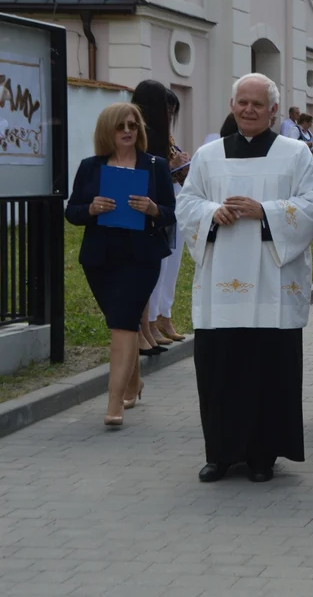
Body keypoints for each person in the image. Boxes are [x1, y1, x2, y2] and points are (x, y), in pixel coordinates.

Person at [177, 73, 313, 483]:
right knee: (220, 369)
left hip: (271, 283)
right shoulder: (208, 156)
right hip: (220, 284)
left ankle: (264, 455)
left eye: (257, 104)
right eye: (242, 102)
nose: (248, 110)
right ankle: (221, 454)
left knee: (269, 370)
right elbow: (187, 203)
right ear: (231, 105)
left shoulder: (295, 153)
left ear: (274, 110)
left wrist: (266, 212)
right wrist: (212, 213)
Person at [65, 103, 174, 426]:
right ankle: (133, 381)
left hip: (141, 258)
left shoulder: (155, 166)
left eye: (133, 125)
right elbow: (72, 212)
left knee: (124, 324)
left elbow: (171, 212)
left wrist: (154, 208)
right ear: (107, 131)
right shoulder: (90, 167)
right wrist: (91, 209)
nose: (128, 131)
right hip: (100, 259)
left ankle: (114, 403)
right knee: (121, 322)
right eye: (120, 126)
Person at [131, 79, 176, 356]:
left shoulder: (155, 134)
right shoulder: (140, 131)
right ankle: (139, 330)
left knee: (149, 273)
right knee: (140, 275)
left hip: (153, 207)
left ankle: (146, 328)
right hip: (139, 205)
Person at [150, 88, 189, 344]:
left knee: (172, 264)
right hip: (157, 204)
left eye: (173, 111)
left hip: (175, 202)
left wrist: (184, 166)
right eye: (167, 110)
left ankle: (165, 313)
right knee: (160, 264)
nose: (170, 115)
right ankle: (151, 319)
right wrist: (172, 166)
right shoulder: (147, 135)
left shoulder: (169, 137)